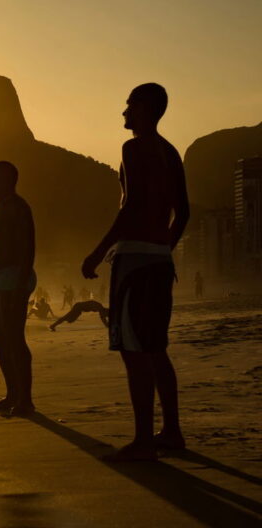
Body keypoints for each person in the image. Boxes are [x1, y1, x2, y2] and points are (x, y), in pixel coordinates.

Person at [82, 83, 190, 461]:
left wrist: (96, 254)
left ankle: (144, 440)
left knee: (133, 351)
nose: (124, 113)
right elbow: (184, 212)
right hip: (160, 261)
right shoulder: (171, 152)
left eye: (129, 106)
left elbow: (130, 208)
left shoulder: (134, 147)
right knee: (156, 347)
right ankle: (172, 432)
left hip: (133, 263)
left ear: (144, 108)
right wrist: (163, 248)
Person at [0, 161, 37, 418]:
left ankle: (26, 400)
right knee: (0, 340)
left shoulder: (19, 208)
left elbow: (28, 248)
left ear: (6, 179)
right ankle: (12, 394)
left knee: (14, 339)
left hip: (15, 278)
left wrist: (21, 285)